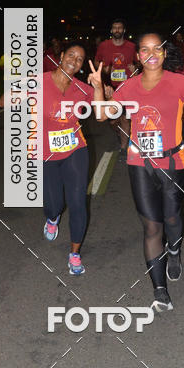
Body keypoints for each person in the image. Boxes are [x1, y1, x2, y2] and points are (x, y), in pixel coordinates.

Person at [110, 34, 184, 312]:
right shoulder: (129, 86)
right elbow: (108, 113)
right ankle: (159, 290)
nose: (151, 53)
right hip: (140, 165)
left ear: (163, 52)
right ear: (137, 56)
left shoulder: (178, 81)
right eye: (144, 49)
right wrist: (101, 91)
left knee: (172, 219)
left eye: (156, 48)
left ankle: (174, 251)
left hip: (173, 163)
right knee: (151, 227)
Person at [42, 42, 109, 275]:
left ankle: (75, 254)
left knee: (78, 201)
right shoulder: (39, 82)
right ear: (61, 56)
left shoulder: (82, 89)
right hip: (45, 153)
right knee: (54, 204)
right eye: (71, 55)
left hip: (75, 149)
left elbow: (100, 115)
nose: (74, 61)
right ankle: (52, 218)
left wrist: (99, 87)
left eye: (80, 59)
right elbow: (4, 102)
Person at [95, 20, 137, 158]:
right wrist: (103, 67)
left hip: (127, 88)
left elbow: (140, 63)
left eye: (120, 28)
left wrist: (135, 68)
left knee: (125, 118)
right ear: (111, 31)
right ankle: (121, 134)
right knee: (113, 121)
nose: (117, 30)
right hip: (110, 88)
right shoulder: (104, 45)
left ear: (124, 30)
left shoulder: (131, 46)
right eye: (115, 28)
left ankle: (124, 149)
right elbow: (96, 61)